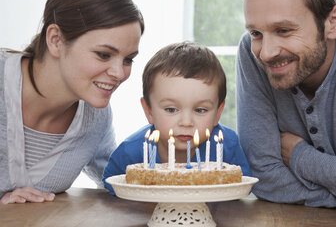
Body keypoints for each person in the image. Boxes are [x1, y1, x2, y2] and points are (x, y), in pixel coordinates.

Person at [0, 0, 144, 204]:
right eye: (104, 54)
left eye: (128, 59)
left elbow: (121, 182)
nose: (119, 73)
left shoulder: (96, 118)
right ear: (56, 40)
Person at [235, 0, 336, 211]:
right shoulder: (251, 54)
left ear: (333, 21)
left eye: (284, 30)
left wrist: (301, 157)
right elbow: (263, 179)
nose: (266, 53)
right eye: (256, 32)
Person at [103, 42, 251, 195]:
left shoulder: (227, 146)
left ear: (218, 113)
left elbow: (242, 187)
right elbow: (111, 189)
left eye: (200, 110)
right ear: (149, 111)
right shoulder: (130, 153)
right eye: (171, 109)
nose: (186, 122)